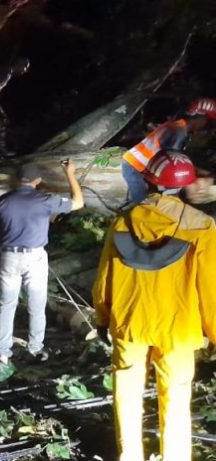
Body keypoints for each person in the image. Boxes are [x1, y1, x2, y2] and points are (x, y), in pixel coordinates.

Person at [93, 151, 216, 461]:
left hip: (130, 322)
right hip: (178, 328)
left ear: (148, 180)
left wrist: (103, 317)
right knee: (175, 394)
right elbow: (211, 287)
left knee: (127, 390)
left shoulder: (123, 222)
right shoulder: (201, 226)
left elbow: (105, 276)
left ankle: (129, 455)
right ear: (185, 184)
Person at [0, 161, 83, 364]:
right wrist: (70, 174)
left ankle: (3, 352)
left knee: (7, 305)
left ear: (17, 180)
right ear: (37, 180)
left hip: (9, 257)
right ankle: (35, 348)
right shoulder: (45, 200)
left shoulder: (3, 201)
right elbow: (78, 202)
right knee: (36, 305)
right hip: (35, 257)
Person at [120, 98, 216, 206]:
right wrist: (200, 176)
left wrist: (202, 172)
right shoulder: (179, 132)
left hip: (136, 163)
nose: (205, 127)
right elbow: (172, 163)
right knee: (140, 202)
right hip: (135, 166)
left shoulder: (176, 126)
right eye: (207, 122)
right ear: (200, 117)